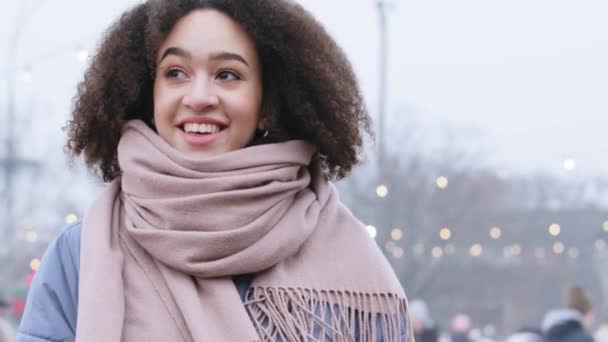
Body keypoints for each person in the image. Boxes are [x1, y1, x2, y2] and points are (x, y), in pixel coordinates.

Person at [17, 0, 412, 341]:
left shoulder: (349, 257)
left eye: (228, 75)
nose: (200, 97)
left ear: (266, 104)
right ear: (148, 93)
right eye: (175, 73)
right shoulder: (79, 254)